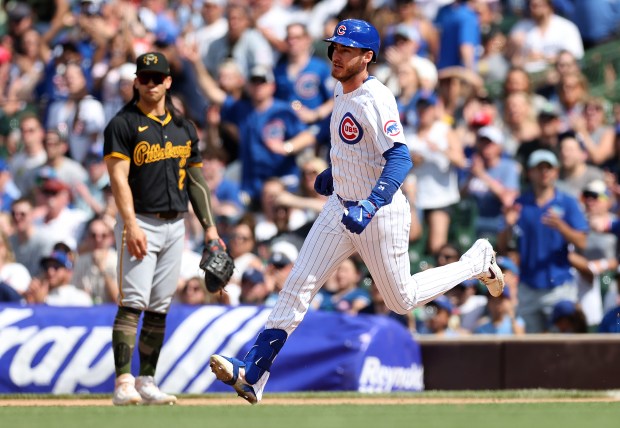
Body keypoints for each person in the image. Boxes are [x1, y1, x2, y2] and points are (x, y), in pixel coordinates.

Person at [209, 19, 504, 405]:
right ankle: (254, 372)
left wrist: (370, 202)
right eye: (335, 47)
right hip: (341, 207)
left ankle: (476, 260)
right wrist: (336, 174)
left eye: (347, 50)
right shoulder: (339, 88)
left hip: (379, 211)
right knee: (296, 288)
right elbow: (357, 144)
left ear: (367, 57)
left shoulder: (374, 98)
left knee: (401, 299)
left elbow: (399, 159)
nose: (337, 55)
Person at [103, 52, 225, 406]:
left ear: (169, 81)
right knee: (132, 303)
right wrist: (129, 224)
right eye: (146, 77)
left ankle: (147, 381)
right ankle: (123, 382)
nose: (152, 83)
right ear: (136, 82)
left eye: (158, 78)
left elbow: (197, 181)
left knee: (159, 307)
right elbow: (117, 180)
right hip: (140, 220)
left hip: (175, 225)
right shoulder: (123, 124)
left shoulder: (184, 127)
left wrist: (211, 229)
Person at [498, 149, 588, 333]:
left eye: (549, 168)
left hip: (559, 286)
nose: (544, 172)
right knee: (533, 349)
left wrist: (561, 227)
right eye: (539, 168)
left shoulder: (568, 202)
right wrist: (508, 226)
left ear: (555, 171)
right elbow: (502, 246)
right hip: (528, 286)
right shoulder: (520, 204)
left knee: (563, 345)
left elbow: (582, 242)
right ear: (530, 172)